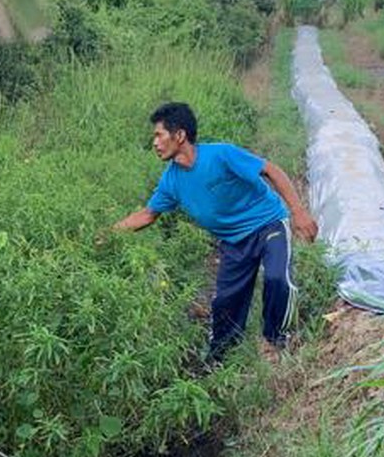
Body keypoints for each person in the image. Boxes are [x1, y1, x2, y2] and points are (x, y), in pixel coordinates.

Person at [111, 102, 318, 363]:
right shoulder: (171, 180)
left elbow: (270, 170)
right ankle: (219, 361)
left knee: (277, 278)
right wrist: (109, 234)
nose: (154, 142)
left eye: (159, 135)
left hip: (268, 224)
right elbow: (147, 215)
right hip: (233, 242)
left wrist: (298, 211)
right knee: (225, 303)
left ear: (180, 135)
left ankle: (276, 341)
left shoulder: (221, 155)